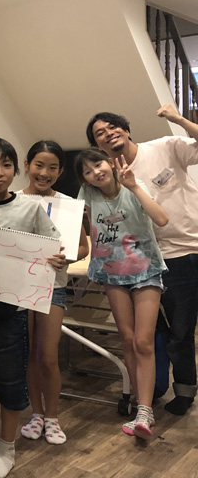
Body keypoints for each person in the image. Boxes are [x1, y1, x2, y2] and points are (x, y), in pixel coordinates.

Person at [0, 138, 63, 478]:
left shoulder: (29, 208)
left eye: (6, 165)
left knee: (10, 380)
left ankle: (7, 448)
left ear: (16, 170)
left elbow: (53, 247)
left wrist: (57, 259)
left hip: (12, 311)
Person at [87, 107, 198, 415]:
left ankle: (171, 389)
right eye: (100, 133)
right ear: (98, 146)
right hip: (158, 258)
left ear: (126, 129)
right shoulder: (108, 176)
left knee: (177, 331)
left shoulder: (164, 146)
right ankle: (176, 390)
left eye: (113, 126)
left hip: (192, 246)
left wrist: (179, 120)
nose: (109, 133)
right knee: (172, 331)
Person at [75, 148, 168, 439]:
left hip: (146, 269)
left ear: (110, 162)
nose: (95, 173)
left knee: (143, 341)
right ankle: (142, 407)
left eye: (98, 164)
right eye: (87, 171)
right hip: (112, 273)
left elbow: (162, 219)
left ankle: (145, 409)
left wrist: (134, 186)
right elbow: (80, 222)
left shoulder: (133, 184)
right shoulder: (88, 194)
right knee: (127, 340)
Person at [18, 141, 89, 446]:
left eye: (52, 168)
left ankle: (52, 417)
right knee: (29, 354)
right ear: (27, 165)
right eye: (39, 165)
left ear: (60, 172)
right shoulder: (13, 200)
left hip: (53, 287)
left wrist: (68, 258)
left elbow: (83, 247)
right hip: (18, 289)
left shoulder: (68, 205)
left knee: (48, 355)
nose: (44, 173)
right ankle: (36, 414)